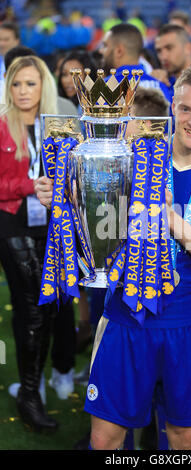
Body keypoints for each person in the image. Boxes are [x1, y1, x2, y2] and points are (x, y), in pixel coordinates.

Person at [73, 62, 191, 450]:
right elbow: (99, 233)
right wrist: (66, 200)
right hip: (124, 317)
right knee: (104, 441)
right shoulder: (131, 158)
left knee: (184, 438)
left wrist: (171, 219)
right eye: (186, 108)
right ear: (173, 105)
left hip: (186, 324)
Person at [0, 55, 60, 432]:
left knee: (48, 309)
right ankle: (30, 395)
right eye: (17, 84)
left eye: (30, 84)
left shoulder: (56, 126)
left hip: (52, 227)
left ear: (43, 88)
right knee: (33, 308)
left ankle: (30, 385)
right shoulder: (2, 126)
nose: (23, 91)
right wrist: (30, 187)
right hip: (11, 223)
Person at [99, 23, 171, 105]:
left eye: (105, 46)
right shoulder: (161, 86)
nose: (100, 50)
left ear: (119, 51)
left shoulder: (104, 89)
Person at [0, 21, 20, 101]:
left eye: (6, 40)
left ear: (16, 41)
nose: (1, 44)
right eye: (0, 39)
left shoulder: (26, 64)